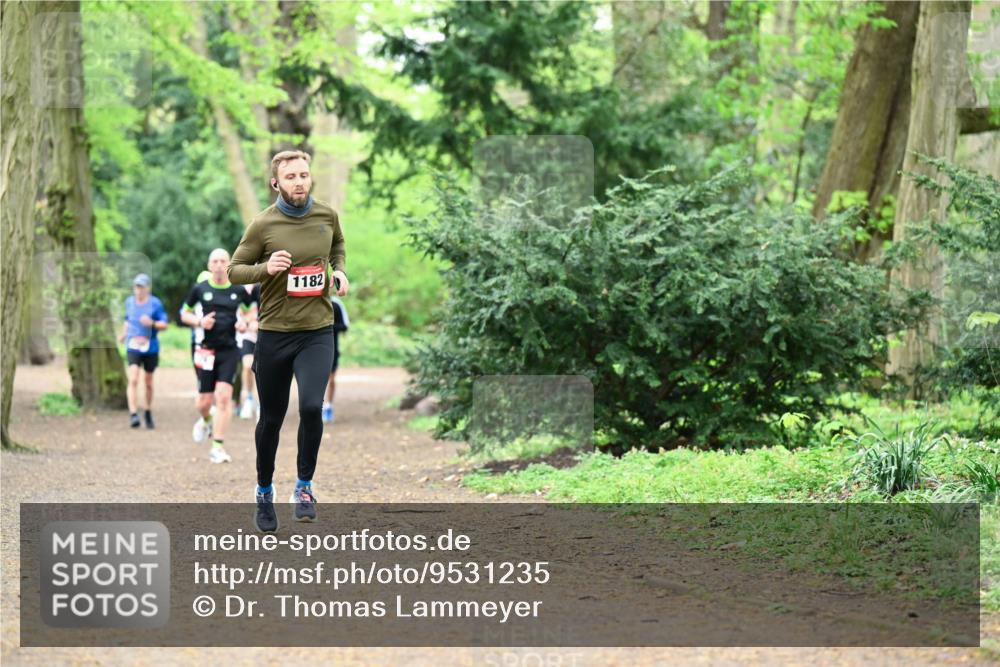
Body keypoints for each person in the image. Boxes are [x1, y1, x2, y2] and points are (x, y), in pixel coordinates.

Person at [229, 149, 349, 533]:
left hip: (317, 331)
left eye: (304, 175)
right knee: (271, 419)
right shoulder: (263, 225)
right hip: (275, 335)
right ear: (276, 183)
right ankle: (264, 491)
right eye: (291, 176)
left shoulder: (326, 216)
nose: (299, 181)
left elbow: (338, 249)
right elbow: (233, 271)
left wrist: (340, 273)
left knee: (312, 407)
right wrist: (267, 268)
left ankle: (303, 487)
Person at [181, 250, 253, 464]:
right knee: (203, 402)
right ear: (209, 265)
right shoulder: (200, 289)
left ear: (229, 264)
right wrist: (199, 322)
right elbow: (184, 313)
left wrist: (245, 323)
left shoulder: (238, 290)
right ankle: (206, 420)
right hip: (206, 350)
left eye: (223, 261)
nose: (220, 265)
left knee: (223, 397)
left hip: (230, 351)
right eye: (215, 261)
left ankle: (217, 447)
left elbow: (250, 312)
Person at [119, 273, 168, 429]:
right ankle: (133, 414)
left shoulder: (155, 304)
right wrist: (123, 333)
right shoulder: (129, 302)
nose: (139, 290)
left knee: (148, 382)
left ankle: (147, 411)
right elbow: (127, 319)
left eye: (142, 287)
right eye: (136, 287)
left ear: (148, 288)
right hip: (133, 344)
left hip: (150, 346)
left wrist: (152, 323)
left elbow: (164, 324)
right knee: (133, 379)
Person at [322, 295, 350, 423]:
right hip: (313, 349)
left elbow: (345, 326)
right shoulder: (311, 301)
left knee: (331, 379)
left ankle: (329, 406)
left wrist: (328, 326)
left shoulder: (336, 304)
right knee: (317, 380)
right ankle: (318, 406)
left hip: (332, 348)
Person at [237, 283, 261, 420]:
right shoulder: (255, 289)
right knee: (247, 366)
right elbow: (248, 311)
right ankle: (248, 399)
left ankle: (262, 405)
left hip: (269, 335)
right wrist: (249, 321)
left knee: (263, 371)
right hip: (250, 335)